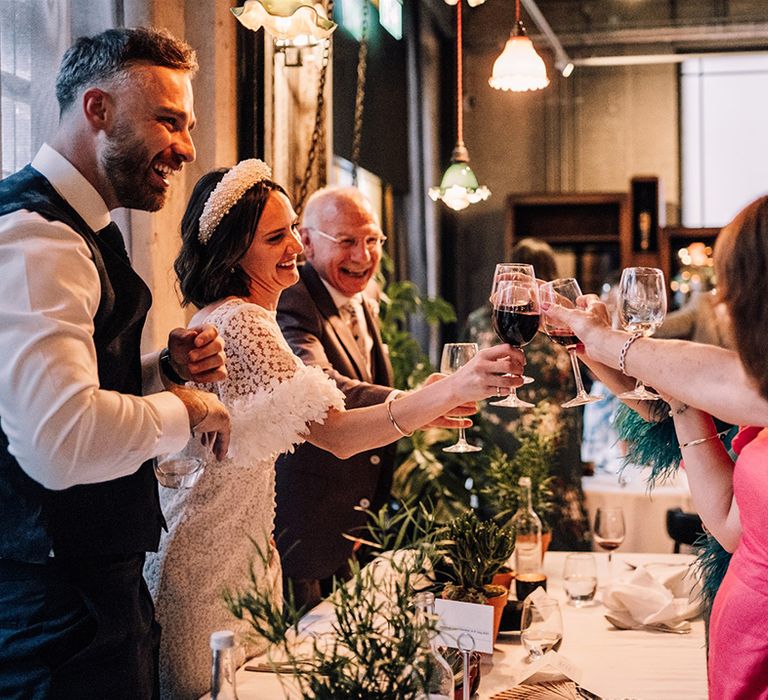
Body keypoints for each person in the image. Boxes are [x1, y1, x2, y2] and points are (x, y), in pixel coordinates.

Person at [145, 159, 522, 699]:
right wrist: (454, 388)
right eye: (276, 237)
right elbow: (336, 433)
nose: (295, 248)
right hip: (211, 569)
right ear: (233, 252)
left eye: (293, 231)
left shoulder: (225, 316)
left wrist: (425, 404)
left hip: (233, 556)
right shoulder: (245, 321)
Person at [0, 27, 231, 700]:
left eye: (187, 125)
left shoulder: (76, 228)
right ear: (97, 109)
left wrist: (160, 370)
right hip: (53, 623)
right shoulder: (37, 239)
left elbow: (48, 396)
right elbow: (58, 440)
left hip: (88, 602)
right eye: (168, 121)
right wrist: (186, 407)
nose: (186, 148)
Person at [544, 195, 768, 698]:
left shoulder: (755, 394)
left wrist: (606, 342)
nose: (724, 304)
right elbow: (730, 524)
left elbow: (721, 380)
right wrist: (592, 348)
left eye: (734, 289)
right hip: (744, 652)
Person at [273, 187, 466, 607]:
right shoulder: (293, 299)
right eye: (346, 242)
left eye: (373, 240)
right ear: (306, 241)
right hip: (303, 530)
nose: (363, 256)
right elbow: (323, 385)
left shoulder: (365, 296)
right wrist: (413, 401)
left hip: (353, 529)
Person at [464, 238, 591, 551]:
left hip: (497, 433)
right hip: (553, 435)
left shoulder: (481, 321)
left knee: (501, 507)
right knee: (556, 509)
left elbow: (466, 374)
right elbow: (582, 378)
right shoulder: (558, 323)